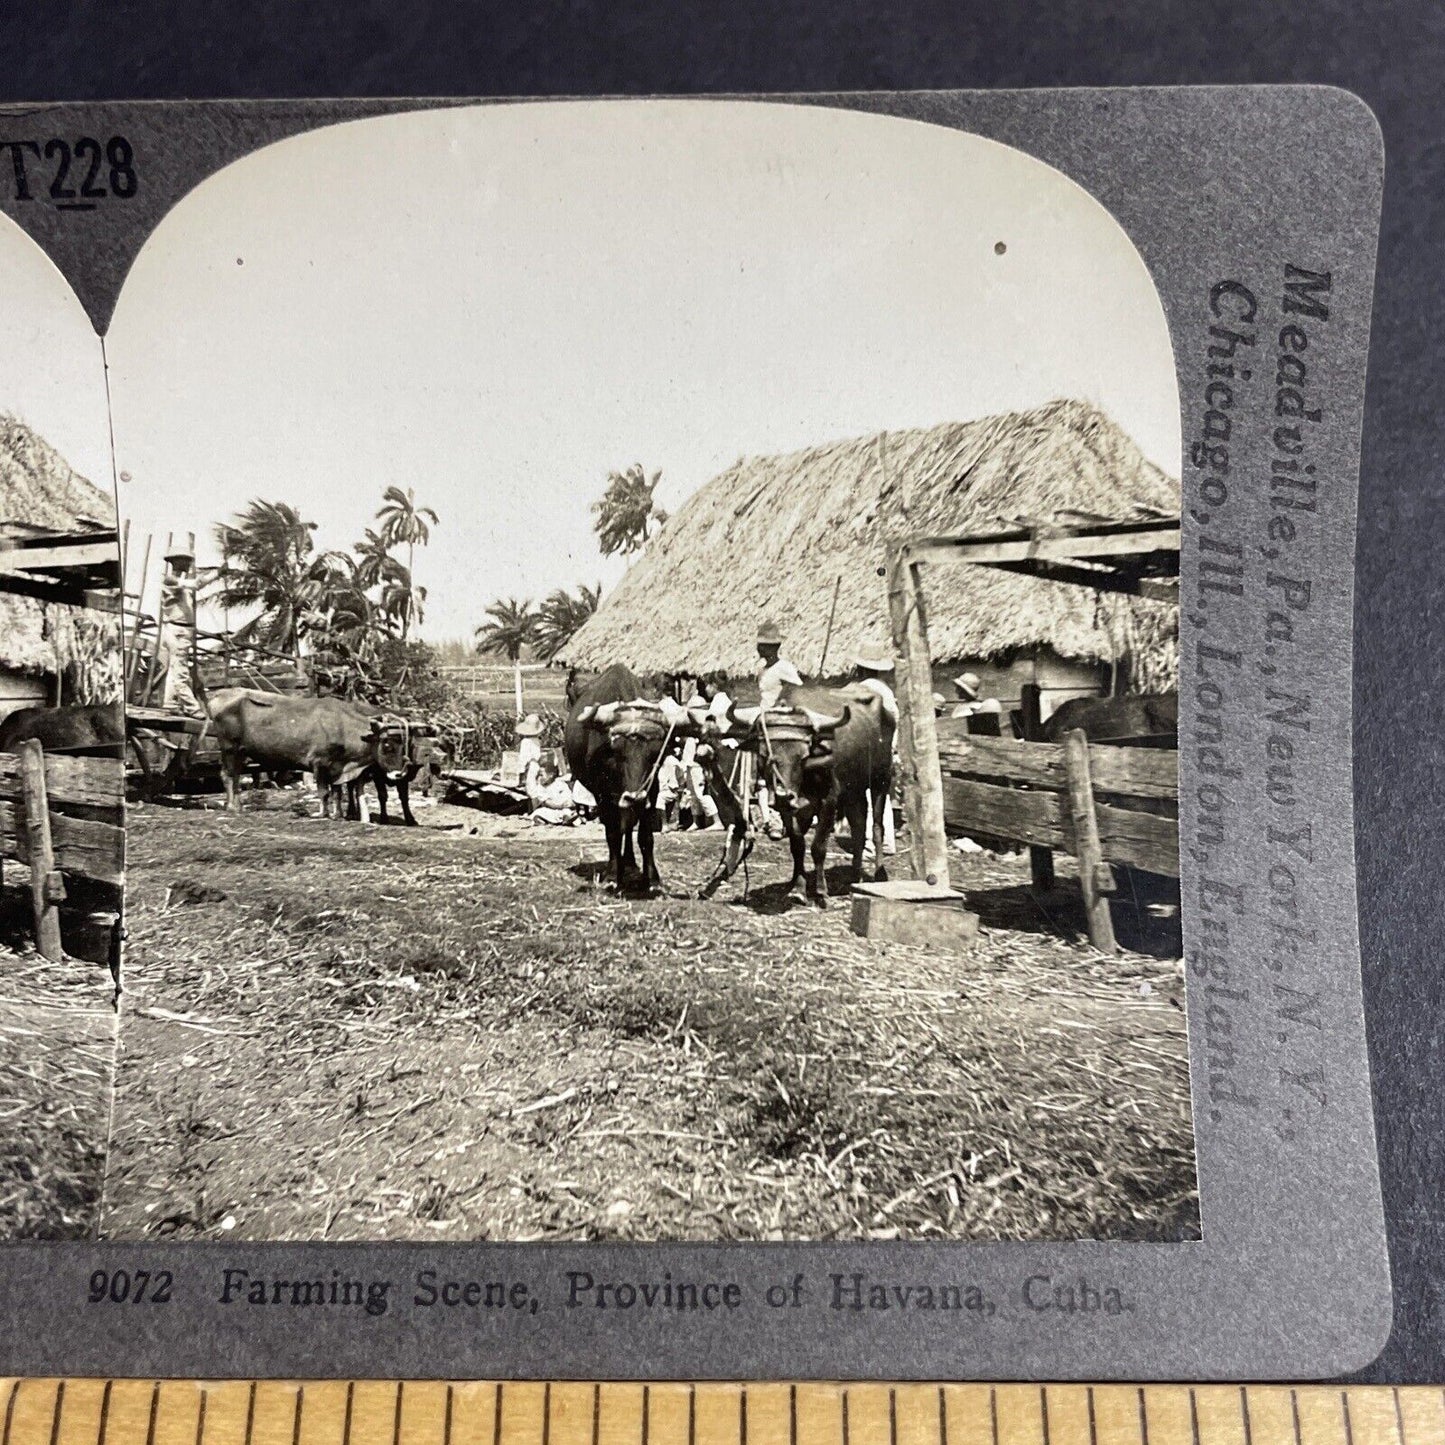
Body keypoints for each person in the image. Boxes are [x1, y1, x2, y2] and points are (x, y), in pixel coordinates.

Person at [848, 641, 897, 859]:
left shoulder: (858, 689)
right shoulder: (886, 691)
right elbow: (894, 721)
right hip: (883, 750)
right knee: (881, 798)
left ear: (862, 668)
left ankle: (867, 844)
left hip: (860, 749)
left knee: (861, 796)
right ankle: (886, 843)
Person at [157, 533, 202, 717]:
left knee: (175, 669)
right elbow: (198, 584)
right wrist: (217, 573)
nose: (189, 563)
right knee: (181, 672)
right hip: (177, 630)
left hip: (178, 630)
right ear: (177, 562)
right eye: (186, 560)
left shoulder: (180, 584)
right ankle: (193, 708)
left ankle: (169, 704)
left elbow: (197, 584)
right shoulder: (170, 580)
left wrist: (217, 574)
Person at [526, 756, 579, 825]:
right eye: (539, 775)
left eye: (542, 775)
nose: (540, 778)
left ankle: (566, 819)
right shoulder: (541, 788)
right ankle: (541, 820)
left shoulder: (560, 783)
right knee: (540, 811)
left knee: (567, 811)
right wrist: (560, 806)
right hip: (551, 809)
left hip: (563, 808)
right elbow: (547, 802)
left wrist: (569, 802)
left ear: (551, 775)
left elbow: (567, 794)